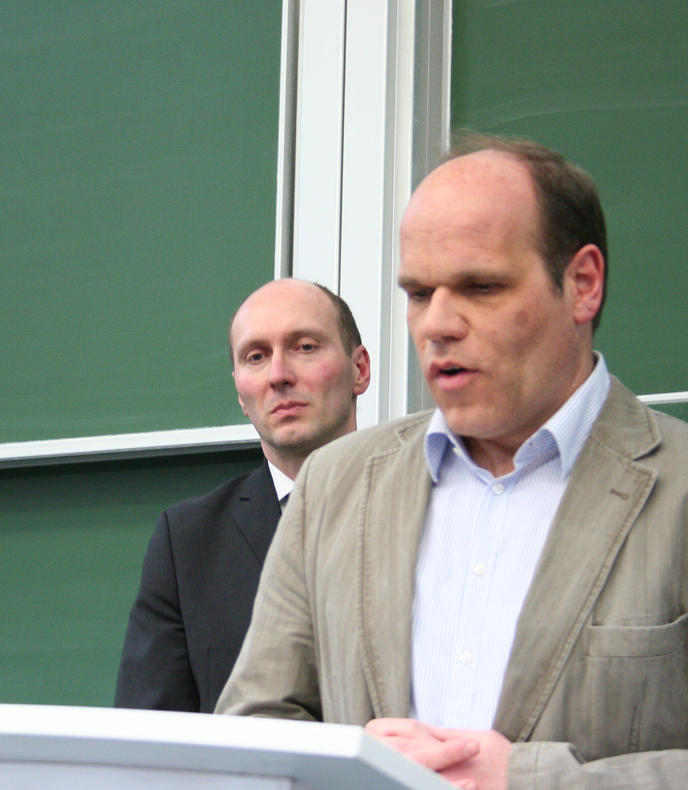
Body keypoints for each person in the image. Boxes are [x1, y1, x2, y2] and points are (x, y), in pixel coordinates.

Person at [216, 134, 688, 789]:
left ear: (582, 284)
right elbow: (251, 733)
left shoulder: (674, 486)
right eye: (418, 293)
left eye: (479, 286)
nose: (437, 324)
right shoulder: (334, 485)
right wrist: (350, 764)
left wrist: (528, 779)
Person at [114, 279, 371, 712]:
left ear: (359, 369)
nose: (278, 375)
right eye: (256, 357)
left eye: (305, 347)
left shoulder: (425, 510)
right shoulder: (188, 543)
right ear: (239, 393)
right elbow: (149, 734)